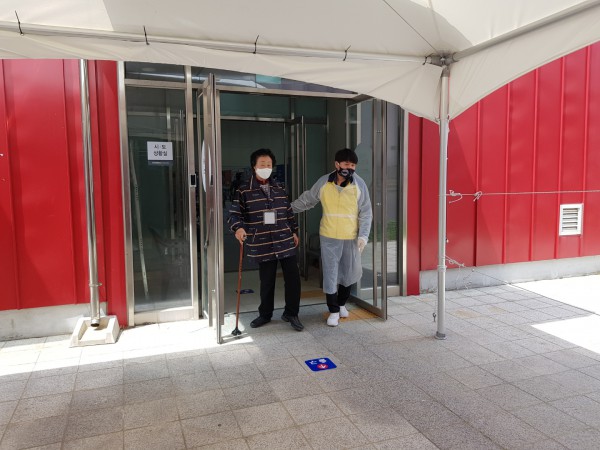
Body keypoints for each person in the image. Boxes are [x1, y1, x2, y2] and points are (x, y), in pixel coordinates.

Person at [291, 148, 372, 327]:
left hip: (350, 237)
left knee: (348, 273)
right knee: (330, 274)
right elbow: (308, 199)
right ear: (337, 164)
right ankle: (333, 310)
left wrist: (363, 236)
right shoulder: (324, 182)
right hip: (328, 236)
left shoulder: (359, 185)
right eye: (346, 164)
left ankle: (342, 304)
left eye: (353, 165)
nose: (349, 168)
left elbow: (366, 212)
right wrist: (288, 209)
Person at [227, 148, 304, 331]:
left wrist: (294, 230)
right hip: (262, 242)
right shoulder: (244, 189)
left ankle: (291, 313)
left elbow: (287, 212)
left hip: (284, 239)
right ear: (254, 166)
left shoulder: (279, 188)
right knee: (267, 281)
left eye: (269, 165)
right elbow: (234, 215)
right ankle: (265, 314)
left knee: (293, 278)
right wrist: (238, 228)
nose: (266, 168)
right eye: (262, 164)